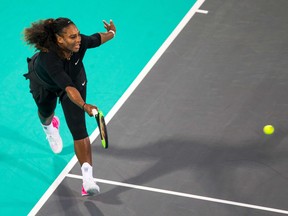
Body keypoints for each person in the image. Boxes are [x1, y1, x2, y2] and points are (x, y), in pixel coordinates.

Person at [23, 17, 116, 196]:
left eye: (78, 35)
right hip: (45, 83)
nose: (78, 39)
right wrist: (84, 104)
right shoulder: (48, 58)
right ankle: (49, 126)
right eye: (72, 37)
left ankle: (87, 179)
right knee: (45, 112)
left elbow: (98, 39)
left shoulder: (80, 42)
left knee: (79, 128)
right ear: (60, 40)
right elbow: (67, 87)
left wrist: (112, 32)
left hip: (74, 81)